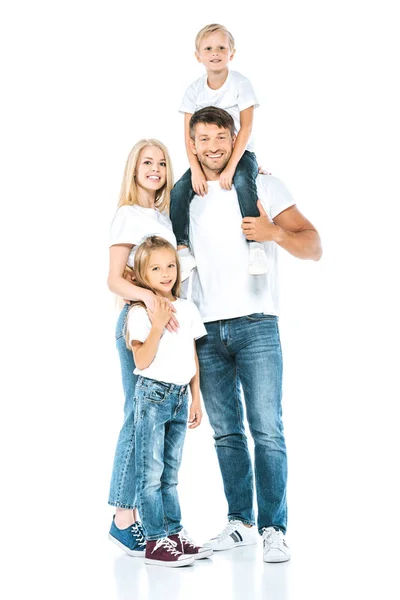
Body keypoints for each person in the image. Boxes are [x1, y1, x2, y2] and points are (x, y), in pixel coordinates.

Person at [170, 106, 322, 563]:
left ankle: (275, 528)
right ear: (192, 144)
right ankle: (241, 523)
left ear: (235, 138)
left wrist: (273, 231)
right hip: (204, 328)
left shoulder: (263, 185)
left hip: (256, 323)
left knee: (267, 430)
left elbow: (313, 245)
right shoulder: (186, 194)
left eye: (221, 137)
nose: (213, 147)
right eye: (204, 139)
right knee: (225, 434)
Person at [107, 139, 179, 557]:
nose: (155, 168)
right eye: (147, 162)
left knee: (151, 423)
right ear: (134, 170)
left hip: (163, 326)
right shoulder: (128, 215)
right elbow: (115, 278)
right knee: (137, 416)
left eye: (162, 163)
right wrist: (150, 301)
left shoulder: (162, 218)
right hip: (138, 321)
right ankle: (122, 518)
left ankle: (148, 519)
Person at [125, 236, 211, 567]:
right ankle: (154, 541)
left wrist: (195, 398)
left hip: (178, 397)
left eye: (171, 266)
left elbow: (191, 354)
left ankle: (173, 533)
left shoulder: (187, 308)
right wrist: (158, 325)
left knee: (170, 474)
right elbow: (143, 360)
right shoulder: (139, 312)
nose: (166, 274)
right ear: (142, 275)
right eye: (156, 268)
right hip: (152, 396)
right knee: (150, 473)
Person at [170, 23, 269, 276]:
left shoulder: (240, 84)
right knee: (180, 190)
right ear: (198, 55)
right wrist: (195, 170)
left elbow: (245, 129)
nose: (215, 53)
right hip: (205, 158)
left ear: (231, 54)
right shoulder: (193, 91)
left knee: (243, 183)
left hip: (239, 152)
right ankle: (182, 249)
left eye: (221, 48)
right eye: (208, 48)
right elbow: (188, 135)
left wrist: (234, 165)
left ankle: (255, 245)